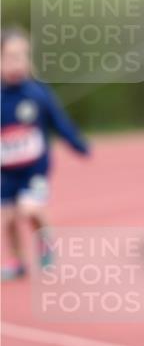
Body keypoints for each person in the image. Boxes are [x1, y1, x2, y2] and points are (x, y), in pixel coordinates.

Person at [1, 26, 89, 280]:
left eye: (21, 57)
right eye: (9, 57)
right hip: (6, 172)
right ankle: (18, 260)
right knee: (6, 218)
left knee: (30, 210)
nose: (16, 63)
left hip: (35, 170)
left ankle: (46, 247)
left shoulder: (38, 93)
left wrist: (77, 144)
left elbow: (59, 122)